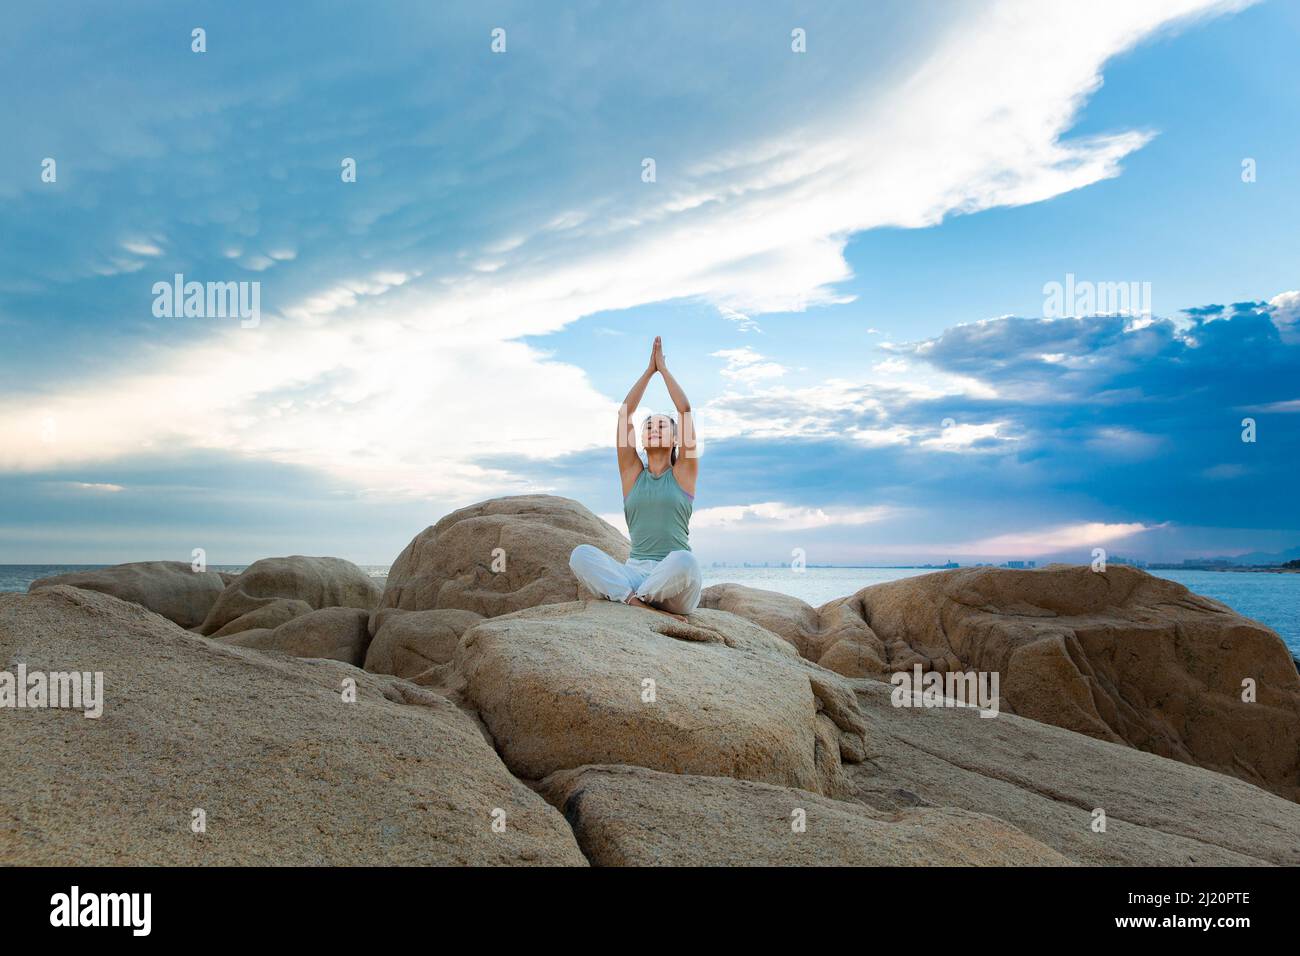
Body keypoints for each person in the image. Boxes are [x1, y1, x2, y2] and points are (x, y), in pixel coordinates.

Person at [569, 336, 702, 621]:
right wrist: (648, 370)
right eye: (649, 426)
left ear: (677, 438)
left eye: (662, 426)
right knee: (580, 554)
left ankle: (634, 599)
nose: (654, 428)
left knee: (686, 561)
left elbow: (685, 411)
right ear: (640, 439)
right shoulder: (631, 474)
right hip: (635, 572)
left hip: (674, 580)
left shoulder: (684, 472)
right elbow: (624, 414)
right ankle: (639, 603)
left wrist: (663, 369)